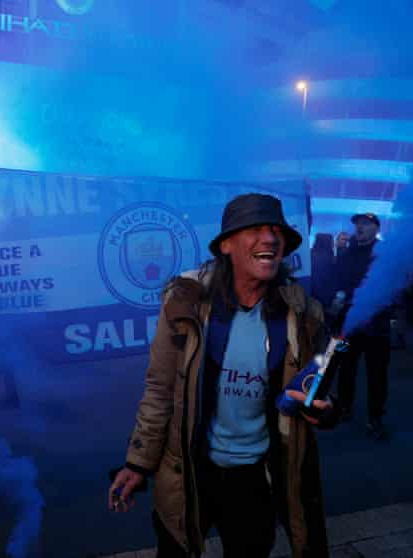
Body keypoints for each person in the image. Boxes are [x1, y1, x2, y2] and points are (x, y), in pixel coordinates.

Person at [109, 193, 338, 558]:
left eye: (277, 231)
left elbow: (317, 390)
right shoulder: (186, 301)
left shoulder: (303, 315)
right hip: (190, 471)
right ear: (226, 246)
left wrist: (322, 410)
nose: (270, 238)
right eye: (256, 229)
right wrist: (138, 461)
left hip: (256, 477)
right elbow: (160, 388)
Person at [332, 212, 391, 439]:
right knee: (346, 366)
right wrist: (337, 297)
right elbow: (339, 280)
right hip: (350, 322)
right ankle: (344, 407)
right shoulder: (347, 253)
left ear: (376, 228)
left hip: (377, 324)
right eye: (357, 223)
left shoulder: (385, 253)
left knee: (377, 373)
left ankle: (375, 416)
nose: (359, 227)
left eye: (365, 224)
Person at [309, 233, 336, 309]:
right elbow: (327, 277)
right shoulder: (327, 256)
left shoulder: (311, 253)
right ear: (326, 242)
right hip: (322, 295)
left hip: (311, 292)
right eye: (332, 242)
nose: (333, 244)